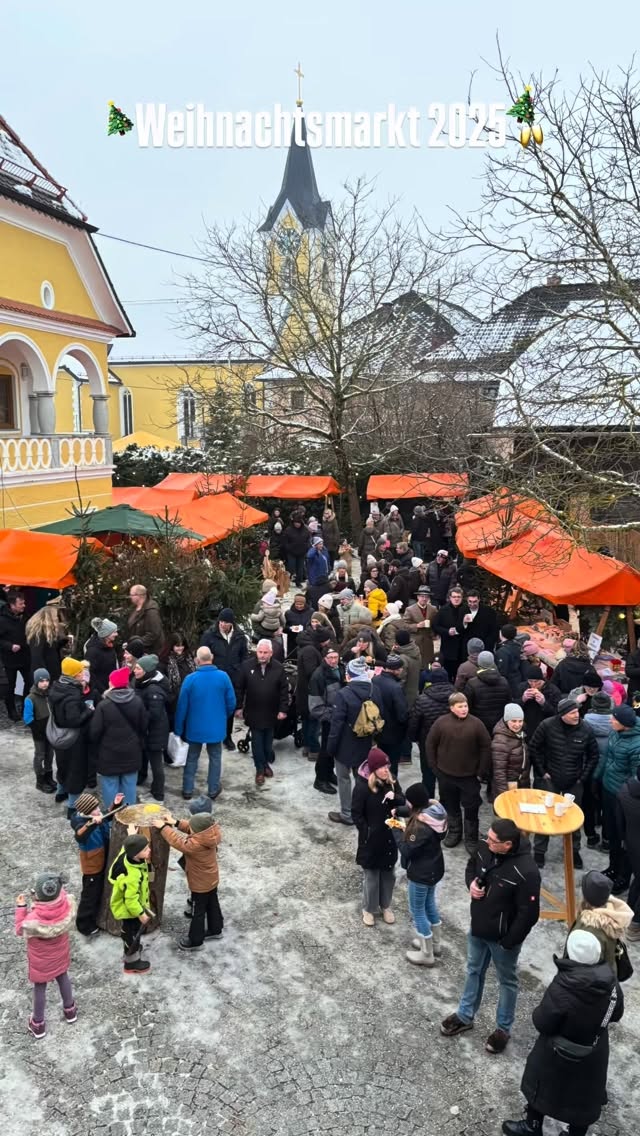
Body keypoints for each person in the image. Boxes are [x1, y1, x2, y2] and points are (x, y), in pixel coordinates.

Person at [502, 929, 623, 1136]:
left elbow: (543, 1022)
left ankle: (532, 1126)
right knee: (584, 1097)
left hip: (556, 1049)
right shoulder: (612, 983)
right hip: (594, 1049)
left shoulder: (563, 985)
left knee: (539, 1083)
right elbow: (616, 1013)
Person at [441, 819, 541, 1054]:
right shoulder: (486, 848)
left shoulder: (527, 871)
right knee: (474, 970)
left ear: (507, 845)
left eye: (493, 840)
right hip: (479, 927)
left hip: (503, 939)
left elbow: (529, 914)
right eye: (488, 836)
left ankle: (503, 1029)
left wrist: (509, 941)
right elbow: (471, 867)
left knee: (507, 981)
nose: (487, 842)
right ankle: (465, 1016)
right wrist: (471, 885)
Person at [529, 697, 600, 870]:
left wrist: (582, 778)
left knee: (573, 819)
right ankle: (539, 851)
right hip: (550, 779)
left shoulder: (586, 729)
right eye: (572, 713)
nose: (577, 715)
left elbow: (593, 755)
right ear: (562, 715)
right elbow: (534, 747)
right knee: (544, 816)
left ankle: (573, 851)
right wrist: (542, 772)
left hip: (574, 781)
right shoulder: (546, 726)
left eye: (577, 711)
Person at [426, 692, 491, 854]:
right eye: (460, 706)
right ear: (452, 708)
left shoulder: (476, 724)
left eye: (466, 705)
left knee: (471, 808)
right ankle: (454, 832)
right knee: (450, 805)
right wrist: (435, 768)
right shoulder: (441, 723)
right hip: (446, 775)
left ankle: (471, 837)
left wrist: (481, 771)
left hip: (469, 777)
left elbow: (486, 747)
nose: (464, 709)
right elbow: (430, 744)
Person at [15, 872, 77, 1038]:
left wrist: (21, 908)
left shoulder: (34, 918)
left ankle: (38, 1023)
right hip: (60, 954)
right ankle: (70, 1011)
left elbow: (20, 928)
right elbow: (61, 895)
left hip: (41, 962)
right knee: (63, 977)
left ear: (38, 895)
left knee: (40, 988)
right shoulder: (66, 904)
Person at [154, 809, 223, 951]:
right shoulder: (210, 834)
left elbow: (177, 841)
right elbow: (193, 828)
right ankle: (216, 929)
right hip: (211, 878)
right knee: (212, 903)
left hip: (200, 884)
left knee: (198, 911)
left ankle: (195, 940)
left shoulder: (195, 845)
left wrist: (163, 827)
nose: (189, 828)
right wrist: (176, 822)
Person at [326, 657, 383, 826]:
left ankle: (347, 813)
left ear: (349, 675)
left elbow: (336, 725)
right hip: (367, 743)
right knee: (364, 778)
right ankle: (364, 811)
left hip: (345, 745)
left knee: (344, 778)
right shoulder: (375, 690)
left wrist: (331, 748)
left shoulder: (343, 695)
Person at [351, 747, 405, 927]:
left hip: (390, 836)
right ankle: (368, 908)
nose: (385, 770)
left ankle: (386, 905)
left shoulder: (392, 782)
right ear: (373, 769)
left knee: (388, 875)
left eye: (387, 766)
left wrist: (395, 797)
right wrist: (366, 831)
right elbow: (356, 813)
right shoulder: (362, 787)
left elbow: (403, 801)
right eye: (382, 767)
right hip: (371, 840)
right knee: (372, 877)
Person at [175, 646, 236, 800]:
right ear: (212, 657)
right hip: (216, 727)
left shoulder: (190, 679)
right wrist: (223, 716)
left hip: (194, 728)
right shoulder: (223, 677)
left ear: (197, 660)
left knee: (192, 758)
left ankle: (187, 789)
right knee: (215, 757)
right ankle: (213, 789)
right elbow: (231, 702)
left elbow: (182, 706)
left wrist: (178, 728)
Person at [398, 785, 448, 967]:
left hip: (421, 874)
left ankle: (426, 954)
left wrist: (397, 831)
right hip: (434, 868)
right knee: (429, 905)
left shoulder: (420, 827)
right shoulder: (435, 815)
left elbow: (407, 850)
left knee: (417, 910)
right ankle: (434, 944)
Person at [594, 703, 640, 892]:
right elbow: (607, 759)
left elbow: (635, 777)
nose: (610, 720)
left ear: (625, 724)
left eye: (614, 719)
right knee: (611, 832)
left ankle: (623, 877)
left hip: (625, 798)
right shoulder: (615, 732)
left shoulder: (637, 745)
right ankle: (613, 868)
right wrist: (597, 778)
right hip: (608, 789)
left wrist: (625, 796)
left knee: (624, 839)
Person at [89, 666, 148, 809]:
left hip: (109, 755)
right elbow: (144, 726)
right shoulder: (137, 701)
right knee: (129, 785)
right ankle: (129, 819)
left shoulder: (103, 705)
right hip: (132, 752)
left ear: (113, 684)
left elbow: (94, 732)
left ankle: (111, 819)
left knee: (110, 786)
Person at [234, 639, 289, 785]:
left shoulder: (278, 668)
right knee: (257, 742)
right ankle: (260, 768)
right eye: (260, 652)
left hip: (272, 712)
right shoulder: (246, 666)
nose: (263, 655)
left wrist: (283, 709)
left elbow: (284, 690)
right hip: (254, 711)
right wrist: (238, 707)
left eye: (265, 652)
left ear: (271, 653)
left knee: (267, 742)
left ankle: (264, 764)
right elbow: (239, 688)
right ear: (256, 652)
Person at [70, 790, 124, 937]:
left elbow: (107, 815)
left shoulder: (98, 816)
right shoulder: (80, 824)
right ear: (87, 812)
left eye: (97, 807)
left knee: (100, 890)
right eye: (95, 809)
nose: (99, 810)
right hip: (92, 866)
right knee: (90, 895)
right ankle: (84, 924)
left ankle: (97, 914)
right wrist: (91, 824)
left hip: (103, 858)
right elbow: (80, 835)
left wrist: (115, 804)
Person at [564, 870, 632, 974]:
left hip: (591, 982)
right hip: (608, 976)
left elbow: (579, 968)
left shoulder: (586, 929)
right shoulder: (613, 915)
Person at [48, 657, 94, 810]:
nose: (83, 673)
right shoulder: (73, 694)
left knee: (62, 765)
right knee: (76, 770)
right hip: (73, 739)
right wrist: (88, 711)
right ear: (75, 675)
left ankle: (61, 793)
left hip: (59, 735)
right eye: (81, 671)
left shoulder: (57, 686)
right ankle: (73, 807)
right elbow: (74, 721)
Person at [200, 609, 248, 749]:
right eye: (221, 621)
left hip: (233, 677)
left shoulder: (239, 636)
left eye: (226, 622)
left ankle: (227, 737)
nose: (222, 624)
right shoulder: (209, 636)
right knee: (213, 707)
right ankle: (212, 735)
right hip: (214, 676)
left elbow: (244, 655)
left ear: (231, 623)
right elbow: (202, 655)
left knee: (229, 708)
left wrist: (240, 670)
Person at [108, 834, 153, 975]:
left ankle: (131, 949)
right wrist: (140, 914)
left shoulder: (127, 856)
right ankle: (131, 962)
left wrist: (132, 834)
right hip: (130, 910)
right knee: (131, 934)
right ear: (135, 854)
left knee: (130, 930)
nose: (149, 850)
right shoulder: (132, 876)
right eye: (145, 849)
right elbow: (131, 900)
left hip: (131, 907)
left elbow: (124, 849)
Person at [408, 670, 455, 796]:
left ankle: (429, 803)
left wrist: (414, 738)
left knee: (428, 774)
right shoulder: (456, 698)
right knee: (448, 773)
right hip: (451, 742)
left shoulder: (422, 699)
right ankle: (447, 803)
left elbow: (414, 722)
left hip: (427, 742)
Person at [133, 655, 171, 802]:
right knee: (144, 756)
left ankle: (159, 791)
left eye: (138, 668)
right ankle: (142, 777)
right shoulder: (144, 683)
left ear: (147, 671)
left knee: (156, 763)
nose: (135, 670)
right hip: (148, 731)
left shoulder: (153, 689)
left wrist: (139, 716)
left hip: (155, 732)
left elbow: (153, 714)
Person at [308, 643, 344, 795]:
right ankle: (320, 779)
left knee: (333, 750)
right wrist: (332, 715)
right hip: (329, 718)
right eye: (330, 658)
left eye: (336, 657)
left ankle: (329, 773)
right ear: (324, 658)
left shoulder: (341, 669)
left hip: (339, 717)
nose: (334, 660)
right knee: (326, 750)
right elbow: (315, 706)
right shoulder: (318, 676)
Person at [583, 691, 615, 848]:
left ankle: (591, 836)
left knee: (588, 804)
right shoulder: (616, 723)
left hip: (589, 770)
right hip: (609, 772)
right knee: (608, 807)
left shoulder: (584, 722)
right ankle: (607, 840)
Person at [297, 626, 333, 760]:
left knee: (308, 720)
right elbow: (311, 672)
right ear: (322, 640)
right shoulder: (310, 651)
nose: (328, 643)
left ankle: (307, 746)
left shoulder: (310, 648)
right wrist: (325, 668)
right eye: (327, 640)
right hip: (311, 692)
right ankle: (314, 749)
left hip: (307, 691)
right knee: (313, 720)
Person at [372, 656, 409, 776]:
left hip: (378, 730)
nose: (402, 670)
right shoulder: (396, 687)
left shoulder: (375, 680)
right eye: (401, 668)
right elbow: (402, 715)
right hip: (393, 733)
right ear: (396, 670)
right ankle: (391, 789)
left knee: (381, 762)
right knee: (391, 766)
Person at [465, 650, 512, 738]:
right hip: (499, 724)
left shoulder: (472, 683)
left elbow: (468, 706)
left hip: (479, 724)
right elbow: (508, 703)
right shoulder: (504, 681)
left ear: (479, 663)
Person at [23, 668, 55, 794]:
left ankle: (49, 777)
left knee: (50, 755)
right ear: (36, 681)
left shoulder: (50, 695)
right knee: (40, 755)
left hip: (50, 732)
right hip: (39, 733)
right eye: (41, 681)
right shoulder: (30, 698)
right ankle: (40, 781)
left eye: (47, 680)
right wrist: (37, 730)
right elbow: (27, 718)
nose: (45, 683)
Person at [617, 764, 640, 940]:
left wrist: (624, 839)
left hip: (631, 843)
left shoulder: (625, 790)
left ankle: (629, 911)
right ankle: (635, 925)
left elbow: (620, 821)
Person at [0, 588, 30, 720]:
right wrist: (9, 646)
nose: (23, 606)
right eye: (20, 604)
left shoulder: (25, 616)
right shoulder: (2, 620)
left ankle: (25, 706)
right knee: (10, 686)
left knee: (29, 682)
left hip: (25, 656)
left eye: (23, 603)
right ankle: (12, 710)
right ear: (12, 605)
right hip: (9, 658)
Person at [492, 704, 530, 798]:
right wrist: (504, 796)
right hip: (510, 786)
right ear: (506, 720)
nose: (517, 725)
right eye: (513, 721)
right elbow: (499, 773)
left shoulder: (518, 733)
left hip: (520, 782)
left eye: (520, 721)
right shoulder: (500, 741)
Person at [25, 604, 69, 684]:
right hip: (45, 673)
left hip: (51, 670)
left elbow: (49, 648)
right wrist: (43, 677)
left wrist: (62, 642)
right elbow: (37, 656)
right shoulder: (38, 634)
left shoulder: (45, 633)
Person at [432, 586, 467, 682]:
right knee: (447, 674)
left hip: (462, 648)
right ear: (450, 598)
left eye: (458, 597)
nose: (456, 599)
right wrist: (447, 632)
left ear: (462, 598)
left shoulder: (466, 609)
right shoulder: (443, 610)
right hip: (448, 647)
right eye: (454, 597)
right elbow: (435, 626)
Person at [517, 665, 561, 736]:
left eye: (537, 682)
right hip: (526, 727)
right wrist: (522, 699)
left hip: (545, 728)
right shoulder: (521, 687)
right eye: (530, 681)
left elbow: (557, 713)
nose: (533, 685)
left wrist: (544, 703)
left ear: (542, 680)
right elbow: (513, 706)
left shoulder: (553, 690)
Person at [83, 617, 119, 702]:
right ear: (106, 634)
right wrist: (103, 691)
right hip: (102, 694)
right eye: (114, 632)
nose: (116, 634)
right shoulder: (92, 652)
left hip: (112, 688)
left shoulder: (109, 646)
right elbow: (90, 674)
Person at [165, 632, 196, 730]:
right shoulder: (166, 661)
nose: (180, 648)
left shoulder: (189, 658)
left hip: (191, 697)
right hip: (175, 700)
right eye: (177, 646)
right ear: (172, 646)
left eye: (182, 645)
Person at [403, 585, 438, 666]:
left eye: (426, 597)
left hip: (428, 642)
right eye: (422, 596)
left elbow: (435, 623)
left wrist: (434, 634)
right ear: (418, 597)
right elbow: (404, 626)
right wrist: (417, 626)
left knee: (428, 663)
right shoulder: (410, 609)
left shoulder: (433, 609)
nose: (424, 599)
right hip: (415, 642)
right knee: (416, 664)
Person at [126, 584, 165, 655]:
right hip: (138, 650)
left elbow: (154, 633)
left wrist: (137, 644)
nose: (130, 597)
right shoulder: (135, 608)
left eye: (132, 595)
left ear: (139, 595)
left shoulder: (151, 611)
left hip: (150, 652)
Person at [393, 627, 422, 712]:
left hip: (405, 695)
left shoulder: (402, 658)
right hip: (414, 689)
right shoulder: (415, 650)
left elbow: (401, 680)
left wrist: (393, 652)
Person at [461, 589, 498, 654]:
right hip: (466, 649)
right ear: (467, 600)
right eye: (470, 601)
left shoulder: (489, 612)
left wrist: (487, 647)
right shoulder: (462, 610)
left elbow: (494, 630)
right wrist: (464, 623)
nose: (472, 604)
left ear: (479, 600)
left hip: (484, 647)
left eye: (475, 601)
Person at [495, 624, 526, 697]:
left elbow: (502, 670)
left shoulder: (503, 651)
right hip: (517, 678)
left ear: (502, 634)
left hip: (509, 682)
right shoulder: (517, 645)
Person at [283, 594, 313, 659]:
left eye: (301, 604)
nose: (299, 606)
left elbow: (313, 625)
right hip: (292, 641)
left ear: (304, 604)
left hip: (306, 640)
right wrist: (291, 628)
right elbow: (284, 628)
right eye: (297, 604)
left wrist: (306, 629)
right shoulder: (288, 613)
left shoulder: (311, 612)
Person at [282, 516, 310, 584]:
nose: (297, 524)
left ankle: (298, 582)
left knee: (300, 568)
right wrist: (288, 548)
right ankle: (288, 581)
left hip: (301, 552)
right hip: (291, 552)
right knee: (291, 567)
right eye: (296, 523)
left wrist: (306, 547)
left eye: (299, 523)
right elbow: (285, 541)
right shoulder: (288, 530)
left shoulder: (305, 530)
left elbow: (308, 540)